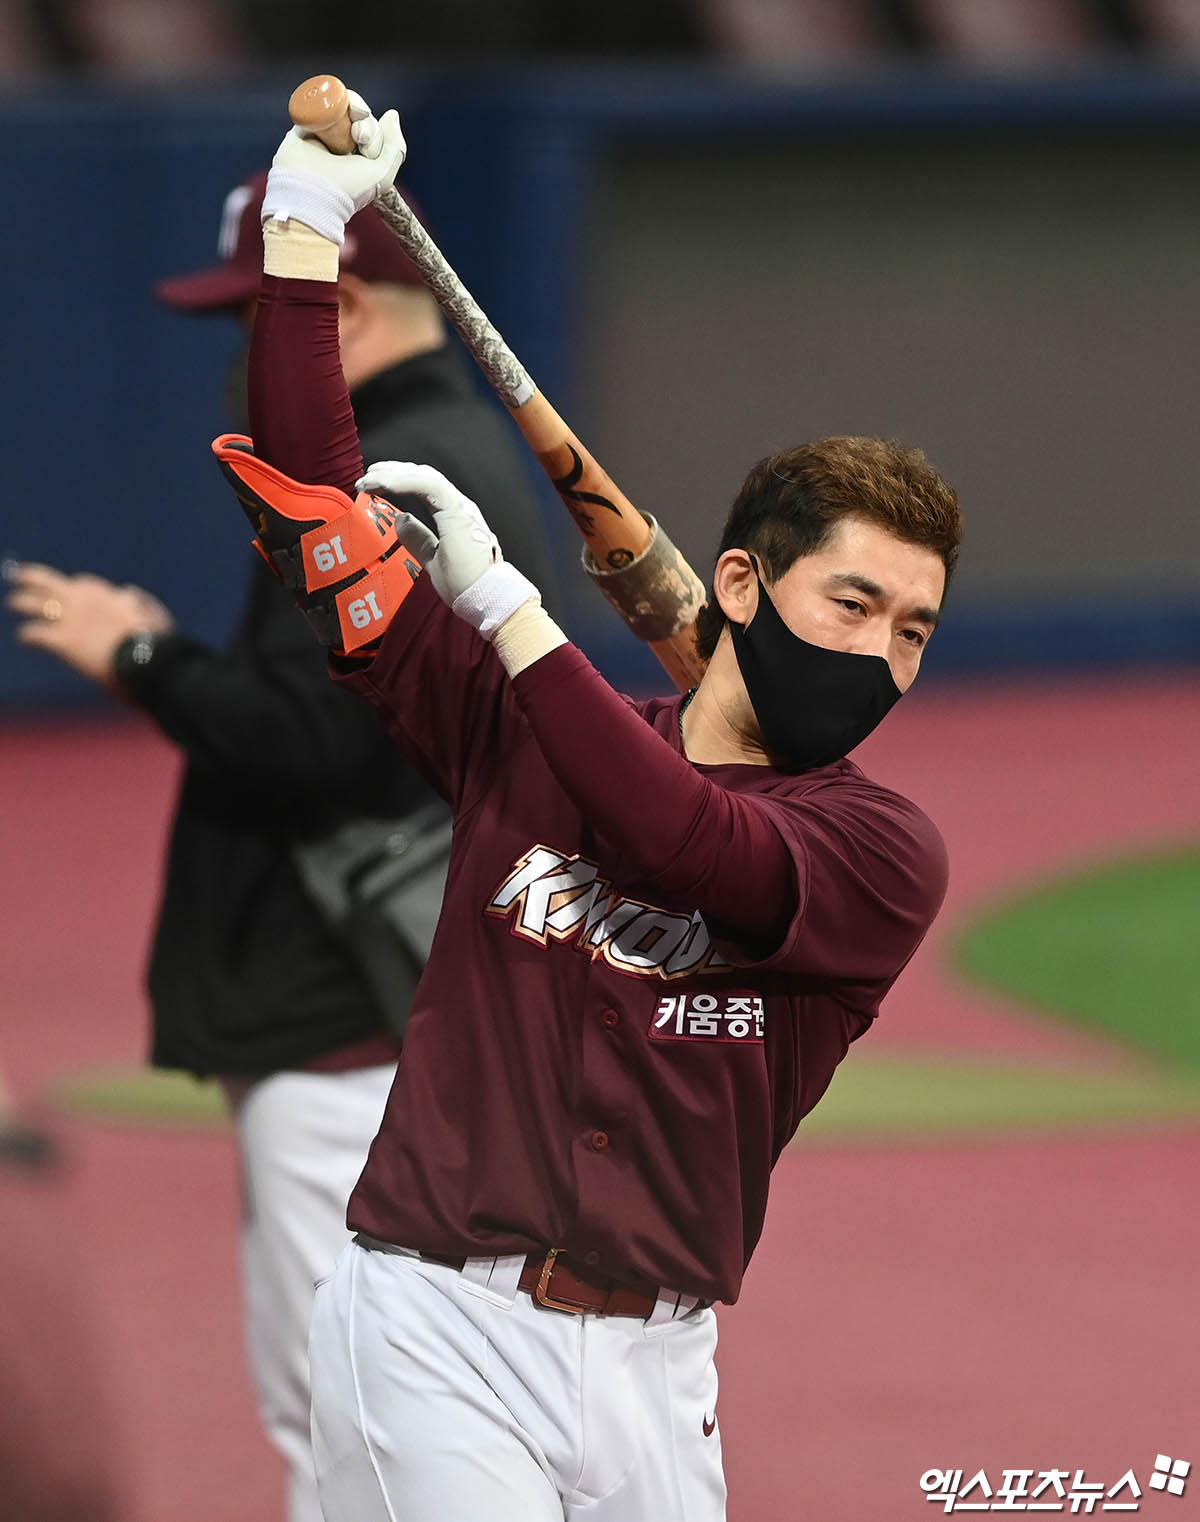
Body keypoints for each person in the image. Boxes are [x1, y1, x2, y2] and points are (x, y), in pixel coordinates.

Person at [216, 95, 963, 1521]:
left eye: (913, 631)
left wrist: (506, 605)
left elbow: (688, 843)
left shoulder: (882, 851)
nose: (880, 654)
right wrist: (305, 229)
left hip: (660, 1375)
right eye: (852, 603)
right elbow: (314, 516)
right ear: (739, 585)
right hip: (438, 1331)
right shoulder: (522, 729)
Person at [5, 163, 555, 1522]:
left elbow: (313, 740)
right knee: (409, 1411)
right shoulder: (456, 447)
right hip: (402, 998)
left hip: (346, 1012)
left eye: (260, 316)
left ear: (342, 308)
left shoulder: (392, 472)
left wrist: (141, 659)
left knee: (351, 1424)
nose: (247, 355)